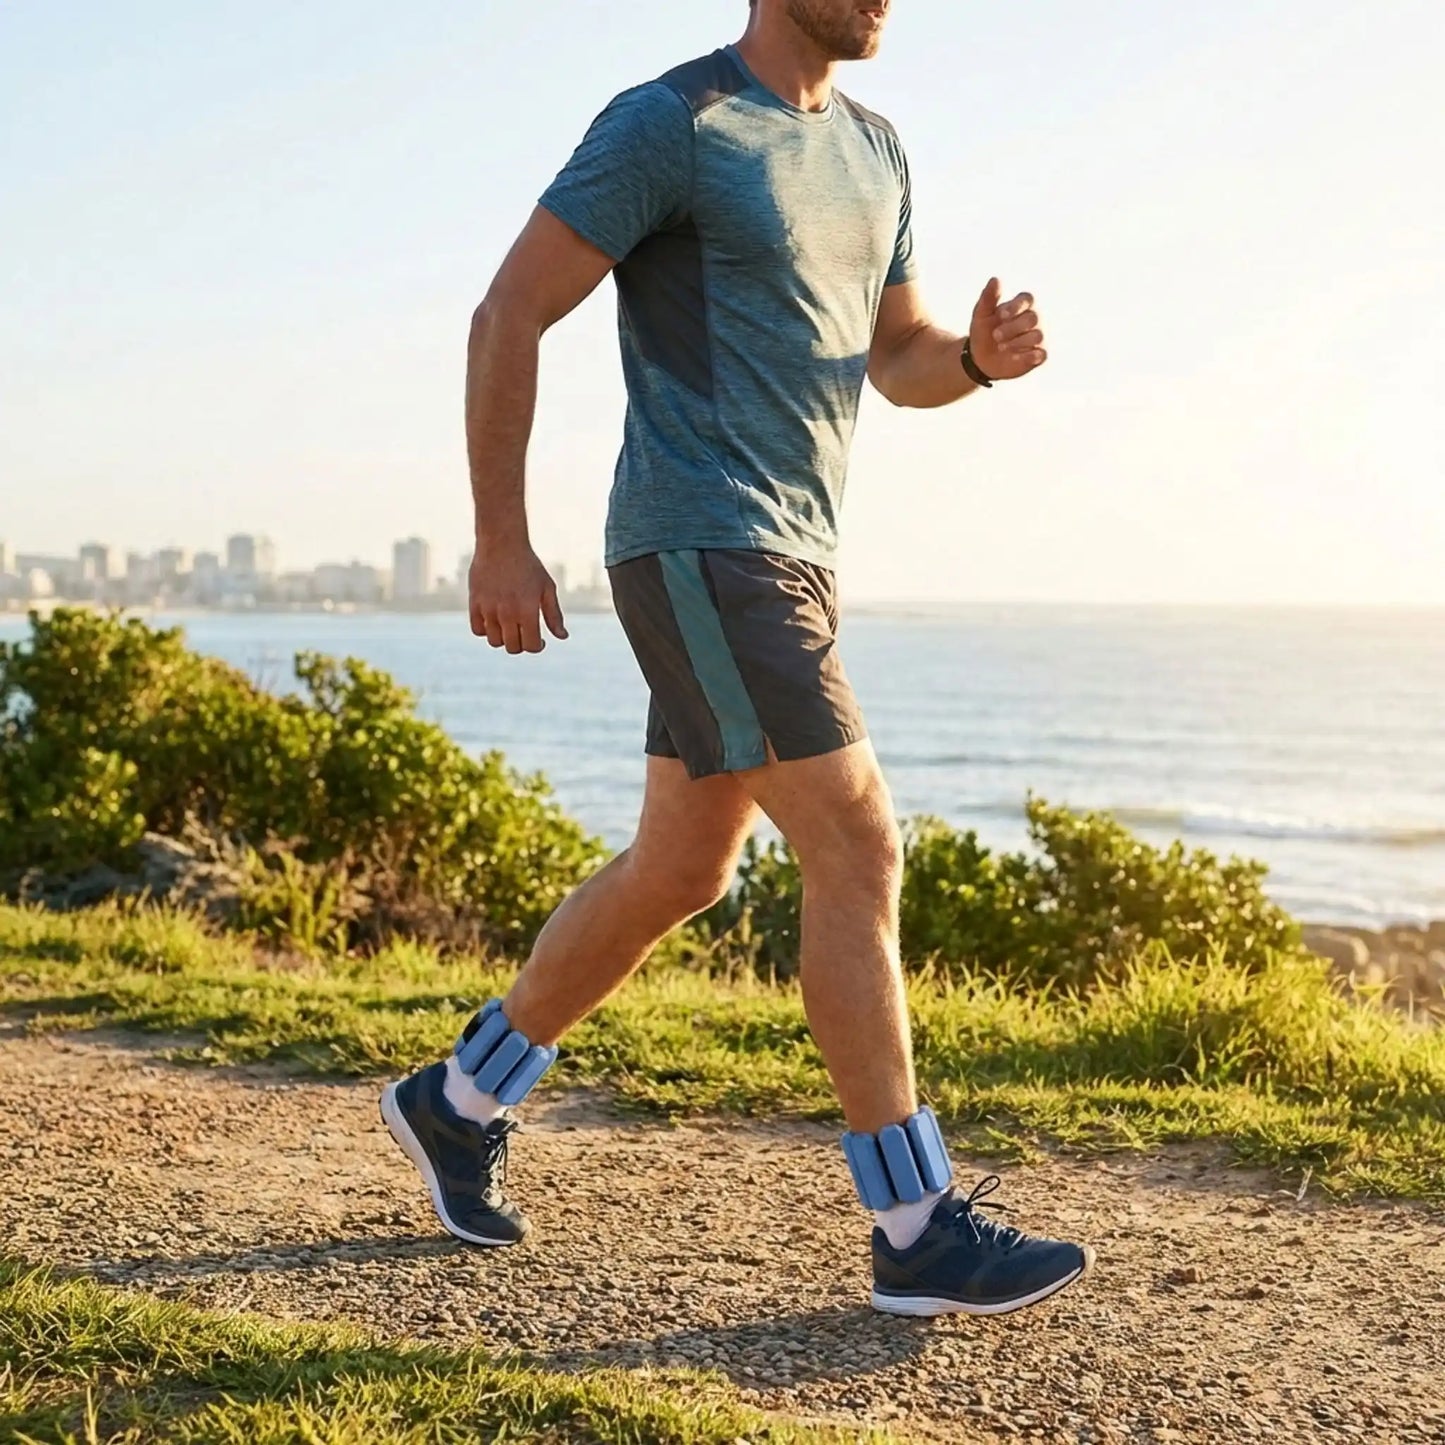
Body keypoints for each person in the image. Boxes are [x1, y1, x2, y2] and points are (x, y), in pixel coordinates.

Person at [382, 0, 1092, 1317]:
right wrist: (497, 538)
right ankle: (913, 1219)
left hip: (791, 555)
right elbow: (507, 311)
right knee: (858, 844)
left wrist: (976, 363)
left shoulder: (877, 150)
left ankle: (458, 1092)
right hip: (704, 541)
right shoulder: (673, 122)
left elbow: (896, 358)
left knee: (683, 866)